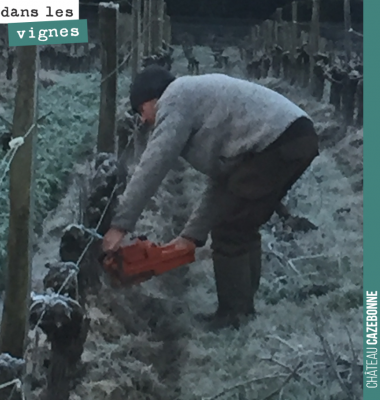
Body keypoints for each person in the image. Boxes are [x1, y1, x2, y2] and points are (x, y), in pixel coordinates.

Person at [102, 65, 319, 329]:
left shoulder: (175, 99)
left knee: (231, 228)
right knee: (242, 224)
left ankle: (234, 318)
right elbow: (225, 181)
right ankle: (242, 314)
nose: (142, 120)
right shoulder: (197, 103)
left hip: (278, 142)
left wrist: (119, 225)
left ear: (151, 99)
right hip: (294, 138)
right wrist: (191, 236)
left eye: (140, 111)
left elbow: (154, 164)